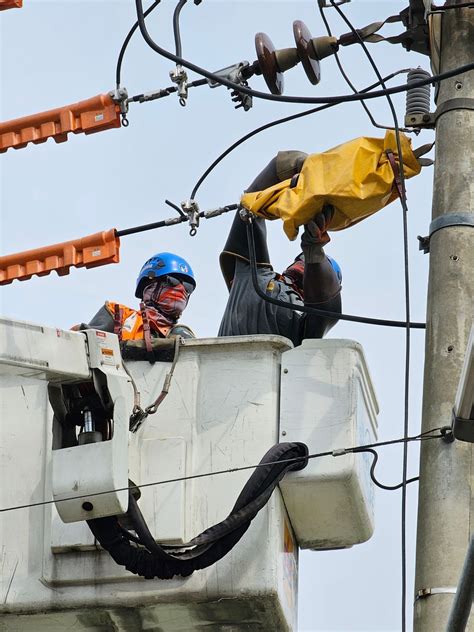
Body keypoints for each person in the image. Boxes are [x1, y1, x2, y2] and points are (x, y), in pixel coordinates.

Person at [218, 151, 342, 345]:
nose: (302, 264)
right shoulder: (255, 278)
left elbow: (327, 312)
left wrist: (315, 252)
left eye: (308, 264)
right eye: (301, 259)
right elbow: (250, 207)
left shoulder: (305, 322)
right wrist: (284, 167)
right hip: (219, 372)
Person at [73, 253, 196, 347]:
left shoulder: (182, 335)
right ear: (149, 285)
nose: (181, 289)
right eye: (172, 281)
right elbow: (80, 342)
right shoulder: (119, 315)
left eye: (187, 287)